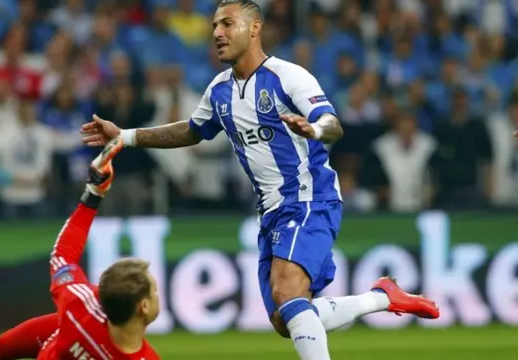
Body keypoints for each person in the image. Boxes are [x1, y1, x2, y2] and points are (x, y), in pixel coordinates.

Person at [80, 1, 439, 359]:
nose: (218, 33)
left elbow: (333, 124)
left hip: (308, 197)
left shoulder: (289, 77)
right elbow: (191, 131)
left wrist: (313, 128)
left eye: (227, 24)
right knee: (286, 319)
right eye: (215, 26)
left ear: (254, 28)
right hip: (270, 212)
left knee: (287, 292)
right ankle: (381, 297)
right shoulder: (219, 90)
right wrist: (125, 136)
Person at [0, 137, 161, 360]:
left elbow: (63, 256)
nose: (158, 293)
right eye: (154, 290)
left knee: (58, 324)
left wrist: (94, 193)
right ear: (143, 306)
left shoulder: (81, 310)